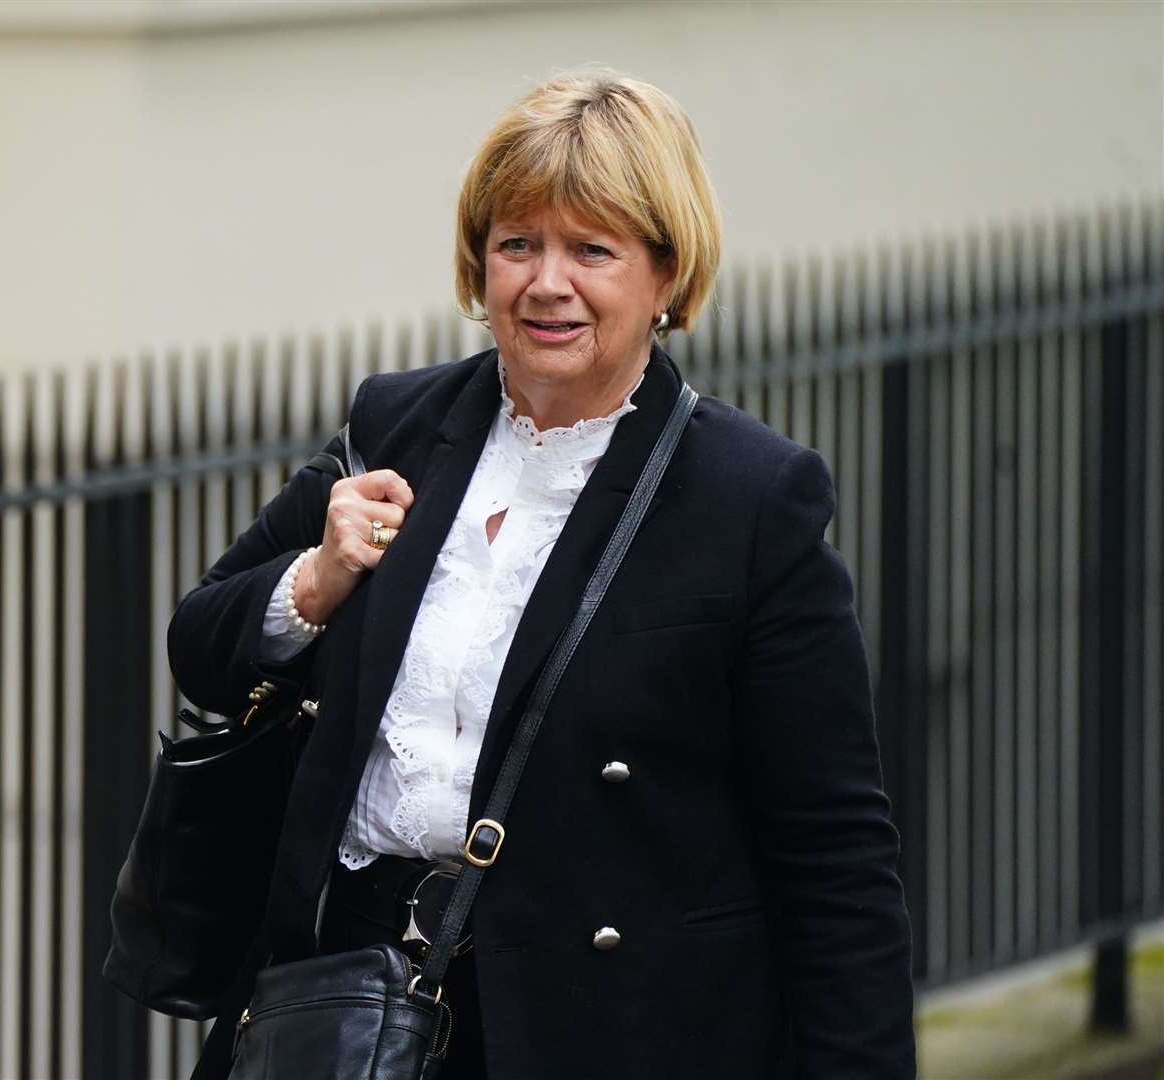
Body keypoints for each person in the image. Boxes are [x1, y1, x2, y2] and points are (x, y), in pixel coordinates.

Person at [168, 70, 915, 1079]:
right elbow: (201, 652)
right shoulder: (397, 426)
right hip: (345, 1005)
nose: (545, 282)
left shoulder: (749, 500)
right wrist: (314, 578)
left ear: (664, 273)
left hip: (596, 1026)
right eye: (516, 243)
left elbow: (833, 859)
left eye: (590, 249)